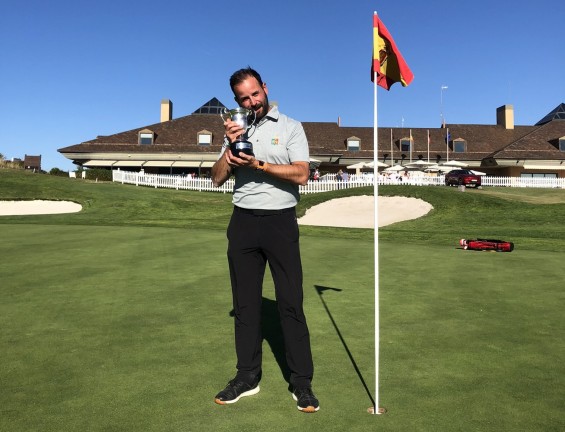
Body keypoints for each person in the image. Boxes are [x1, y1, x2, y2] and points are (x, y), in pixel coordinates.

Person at [211, 67, 319, 413]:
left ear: (265, 89)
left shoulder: (290, 127)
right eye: (244, 98)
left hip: (280, 223)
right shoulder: (235, 129)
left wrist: (258, 164)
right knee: (245, 305)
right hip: (242, 222)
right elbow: (215, 179)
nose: (252, 101)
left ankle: (301, 383)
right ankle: (246, 377)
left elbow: (301, 174)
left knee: (290, 302)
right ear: (236, 101)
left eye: (255, 94)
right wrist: (229, 151)